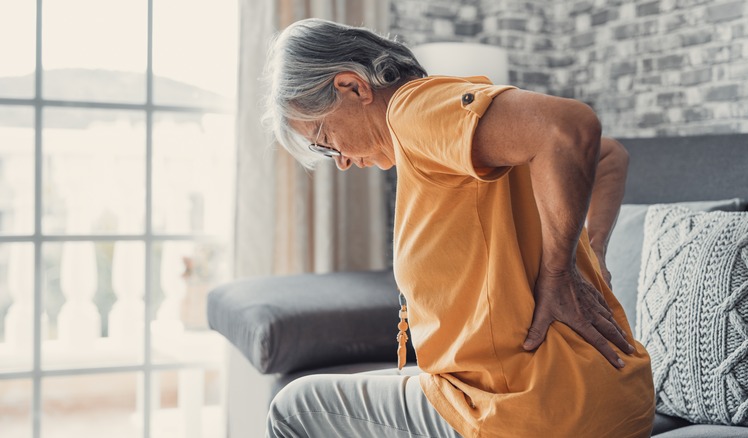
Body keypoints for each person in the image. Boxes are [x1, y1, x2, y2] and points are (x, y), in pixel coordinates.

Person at [263, 18, 655, 438]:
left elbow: (570, 127)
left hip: (531, 412)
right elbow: (609, 157)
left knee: (293, 408)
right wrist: (592, 256)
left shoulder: (413, 110)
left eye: (324, 137)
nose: (338, 160)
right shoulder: (464, 131)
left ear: (353, 87)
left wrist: (562, 273)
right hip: (609, 400)